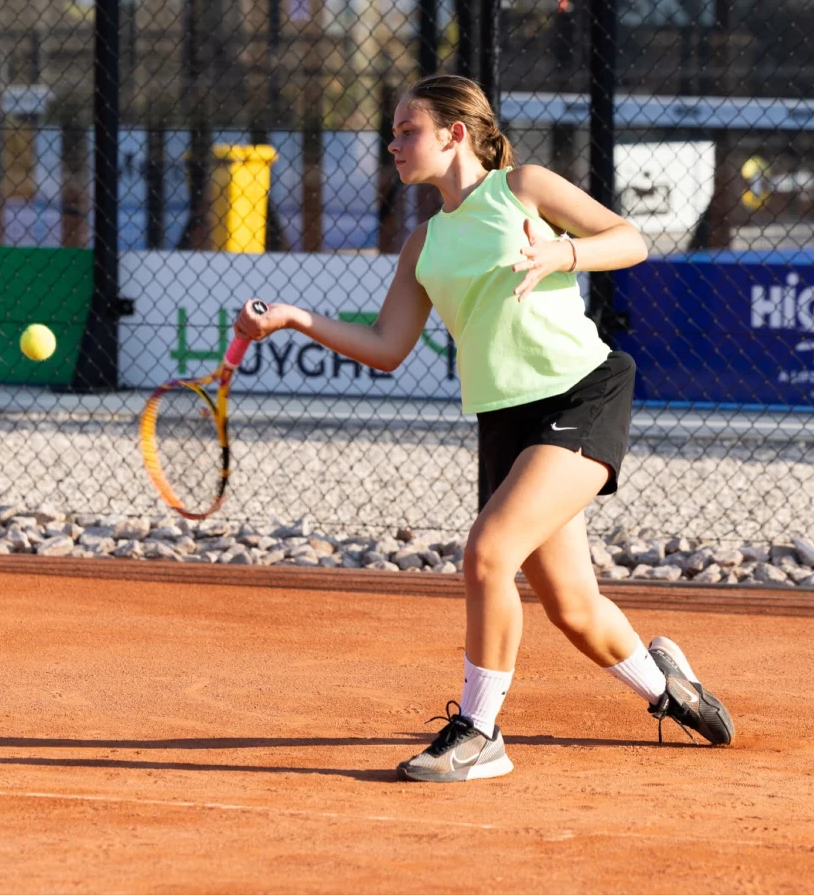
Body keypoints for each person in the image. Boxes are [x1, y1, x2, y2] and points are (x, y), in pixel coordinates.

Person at [234, 75, 734, 782]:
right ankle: (672, 692)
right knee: (574, 607)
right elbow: (386, 346)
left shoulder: (523, 187)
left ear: (454, 134)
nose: (394, 143)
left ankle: (479, 732)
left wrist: (563, 254)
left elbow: (630, 240)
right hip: (505, 417)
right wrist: (292, 317)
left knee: (488, 554)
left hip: (583, 390)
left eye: (409, 130)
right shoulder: (424, 244)